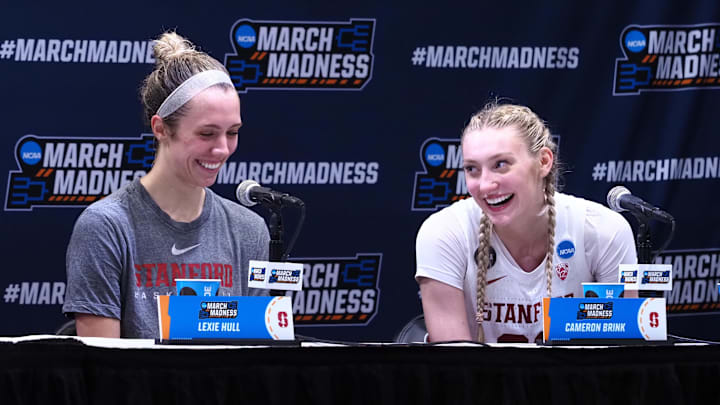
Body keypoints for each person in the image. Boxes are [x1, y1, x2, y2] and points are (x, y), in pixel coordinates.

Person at [62, 31, 269, 338]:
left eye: (233, 132)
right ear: (160, 129)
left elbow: (253, 357)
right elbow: (100, 372)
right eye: (207, 134)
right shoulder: (106, 227)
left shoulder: (250, 230)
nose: (223, 149)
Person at [415, 103, 637, 343]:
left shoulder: (604, 230)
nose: (485, 185)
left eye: (501, 164)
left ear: (543, 161)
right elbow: (452, 366)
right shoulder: (444, 233)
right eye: (472, 169)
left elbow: (619, 353)